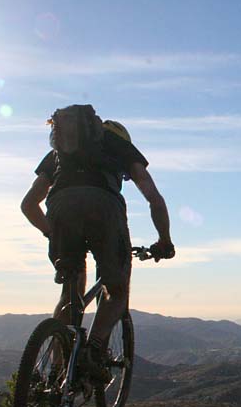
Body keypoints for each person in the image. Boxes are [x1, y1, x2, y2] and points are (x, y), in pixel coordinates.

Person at [20, 104, 174, 382]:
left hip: (61, 208)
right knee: (116, 291)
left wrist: (52, 233)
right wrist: (164, 240)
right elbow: (153, 197)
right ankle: (94, 349)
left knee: (70, 294)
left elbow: (29, 204)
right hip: (105, 208)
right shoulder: (120, 146)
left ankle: (57, 372)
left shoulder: (59, 153)